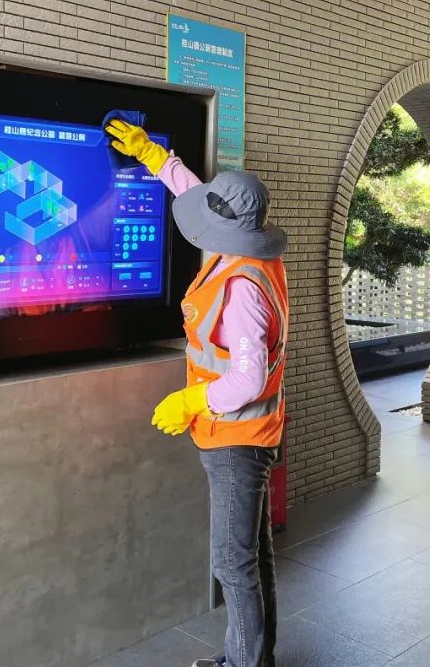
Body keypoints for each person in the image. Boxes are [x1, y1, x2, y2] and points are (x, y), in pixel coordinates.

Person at [105, 117, 289, 667]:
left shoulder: (242, 290)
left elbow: (247, 378)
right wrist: (155, 159)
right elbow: (202, 198)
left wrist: (192, 400)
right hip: (246, 432)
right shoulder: (251, 256)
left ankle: (243, 664)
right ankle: (255, 659)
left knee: (233, 562)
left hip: (237, 438)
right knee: (253, 555)